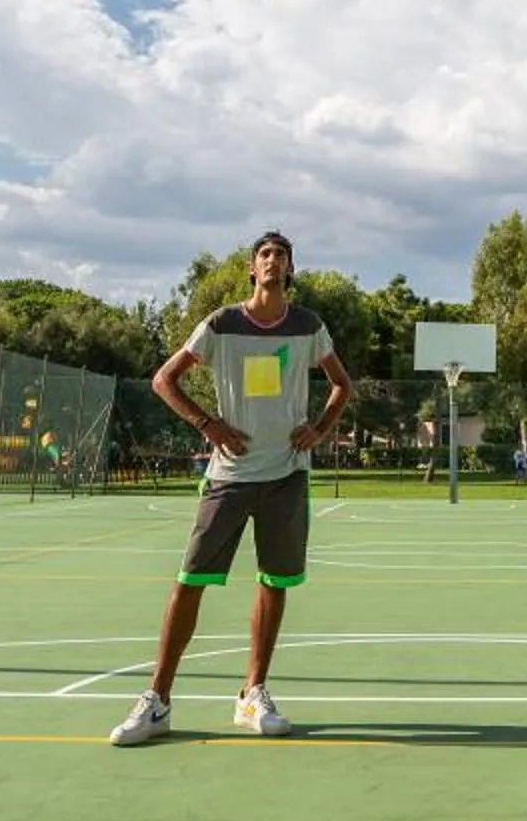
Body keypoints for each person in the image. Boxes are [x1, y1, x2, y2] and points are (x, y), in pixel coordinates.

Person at [109, 231, 353, 745]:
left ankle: (252, 693)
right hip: (229, 476)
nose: (273, 261)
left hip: (286, 473)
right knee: (190, 579)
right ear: (251, 267)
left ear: (289, 269)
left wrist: (318, 431)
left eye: (281, 256)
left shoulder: (309, 326)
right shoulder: (222, 323)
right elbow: (163, 379)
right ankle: (157, 700)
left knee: (275, 582)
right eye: (265, 254)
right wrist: (207, 425)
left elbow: (341, 385)